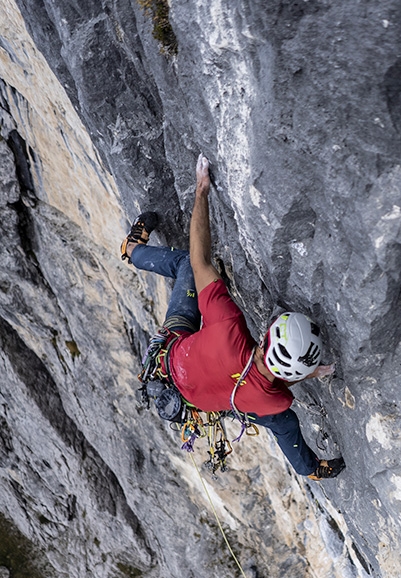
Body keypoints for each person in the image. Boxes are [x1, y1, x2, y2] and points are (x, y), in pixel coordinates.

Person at [121, 154, 345, 480]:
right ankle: (309, 469)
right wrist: (312, 371)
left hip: (174, 361)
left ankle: (132, 250)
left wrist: (201, 192)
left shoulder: (228, 328)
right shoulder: (276, 400)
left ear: (267, 335)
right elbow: (273, 380)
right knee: (284, 424)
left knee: (185, 266)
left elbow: (200, 262)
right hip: (204, 399)